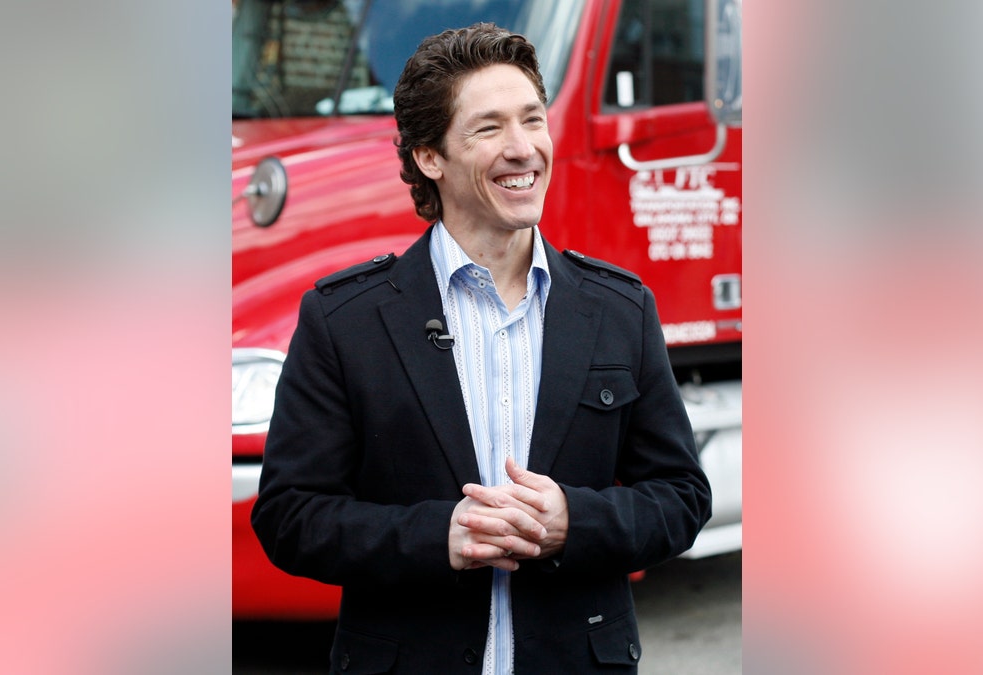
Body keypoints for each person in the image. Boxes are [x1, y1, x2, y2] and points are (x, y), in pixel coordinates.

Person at [251, 22, 711, 674]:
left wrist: (571, 520)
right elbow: (290, 515)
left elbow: (683, 497)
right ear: (427, 157)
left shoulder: (620, 309)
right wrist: (439, 534)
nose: (523, 149)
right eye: (489, 128)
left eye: (532, 120)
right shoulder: (342, 319)